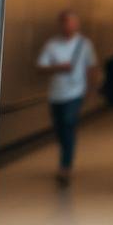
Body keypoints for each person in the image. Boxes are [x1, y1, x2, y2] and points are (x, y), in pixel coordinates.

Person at [36, 10, 99, 186]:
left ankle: (65, 166)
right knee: (60, 128)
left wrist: (91, 90)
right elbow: (40, 67)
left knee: (69, 123)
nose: (68, 26)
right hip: (56, 94)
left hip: (75, 92)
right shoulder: (52, 44)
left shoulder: (85, 44)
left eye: (71, 22)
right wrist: (58, 67)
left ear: (76, 24)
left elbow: (92, 67)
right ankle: (65, 156)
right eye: (65, 22)